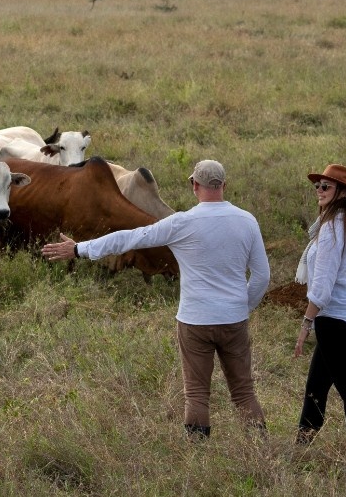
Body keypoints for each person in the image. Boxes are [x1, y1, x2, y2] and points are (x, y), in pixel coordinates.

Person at [41, 159, 270, 439]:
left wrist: (79, 249)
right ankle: (260, 449)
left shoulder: (182, 223)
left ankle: (197, 455)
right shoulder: (247, 221)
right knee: (244, 391)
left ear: (194, 185)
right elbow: (261, 276)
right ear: (224, 185)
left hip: (195, 320)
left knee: (197, 393)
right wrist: (241, 306)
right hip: (234, 320)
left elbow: (130, 238)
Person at [294, 163, 346, 448]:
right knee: (316, 388)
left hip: (334, 322)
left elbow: (322, 286)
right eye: (317, 186)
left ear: (343, 193)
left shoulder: (332, 229)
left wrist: (307, 323)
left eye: (326, 186)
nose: (319, 190)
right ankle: (301, 448)